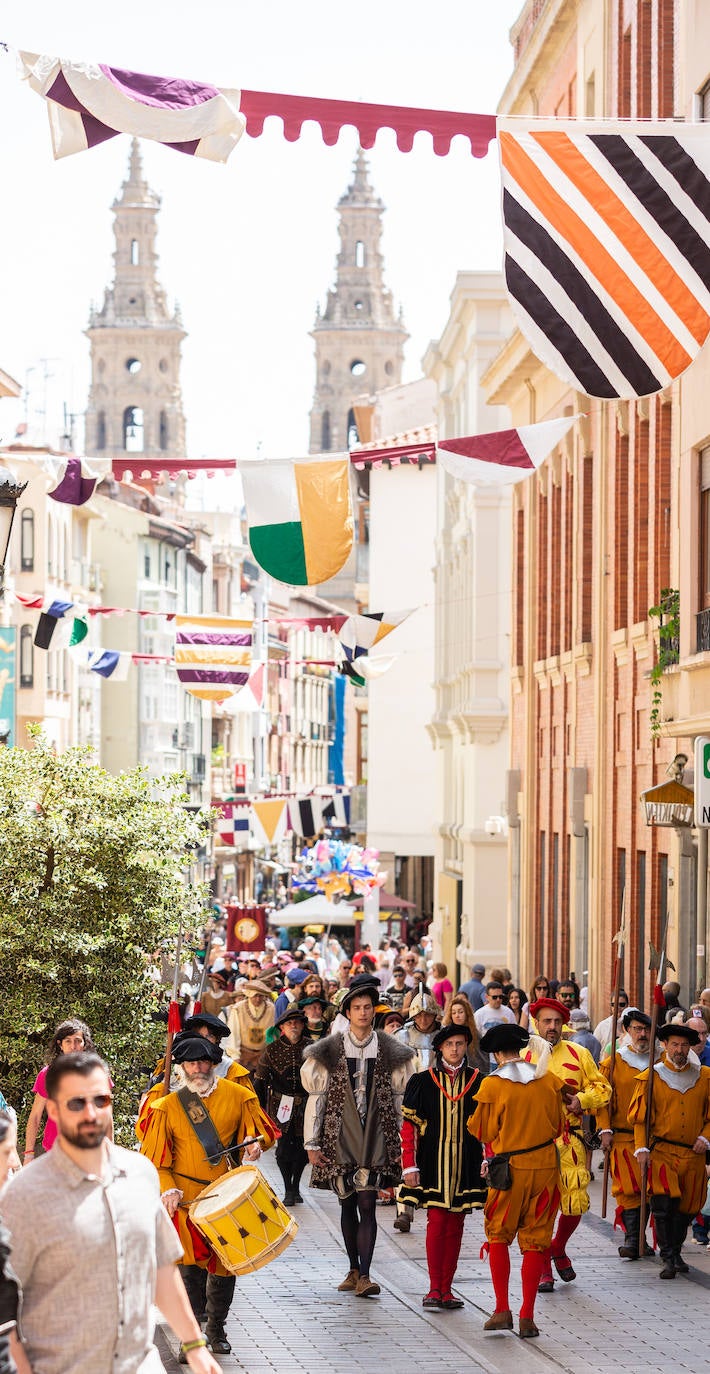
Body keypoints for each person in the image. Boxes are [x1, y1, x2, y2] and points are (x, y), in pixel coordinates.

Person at [4, 1051, 222, 1374]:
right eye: (76, 1103)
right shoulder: (23, 1195)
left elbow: (161, 1268)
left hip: (140, 1365)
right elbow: (6, 1312)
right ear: (52, 1109)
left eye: (101, 1100)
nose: (91, 1112)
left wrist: (195, 1346)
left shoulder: (141, 1174)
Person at [140, 1036, 274, 1355]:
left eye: (203, 1063)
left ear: (213, 1063)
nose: (197, 1069)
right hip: (185, 1198)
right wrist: (167, 1187)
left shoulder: (239, 1095)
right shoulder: (168, 1104)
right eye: (190, 1063)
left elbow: (262, 1132)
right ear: (182, 1068)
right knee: (190, 1270)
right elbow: (156, 1159)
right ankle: (192, 1337)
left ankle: (217, 1328)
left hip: (225, 1194)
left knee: (225, 1266)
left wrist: (257, 1144)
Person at [301, 975, 415, 1297]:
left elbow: (398, 1099)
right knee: (346, 1204)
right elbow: (317, 1096)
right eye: (357, 1007)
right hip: (339, 1135)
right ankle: (353, 1268)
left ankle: (365, 1274)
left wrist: (401, 1144)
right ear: (347, 1012)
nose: (363, 1013)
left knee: (367, 1201)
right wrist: (312, 1143)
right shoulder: (330, 1049)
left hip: (376, 1136)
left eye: (367, 1007)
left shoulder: (391, 1048)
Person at [467, 1024, 565, 1340]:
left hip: (510, 1168)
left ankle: (501, 1309)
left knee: (498, 1234)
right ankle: (527, 1316)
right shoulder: (547, 1079)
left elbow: (481, 1131)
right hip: (547, 1165)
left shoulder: (493, 1085)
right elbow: (560, 1123)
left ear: (496, 1054)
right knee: (537, 1239)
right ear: (523, 1050)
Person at [526, 996, 611, 1291]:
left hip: (570, 1140)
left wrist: (582, 1099)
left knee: (575, 1204)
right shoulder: (522, 1055)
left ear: (565, 1025)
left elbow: (603, 1088)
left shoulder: (578, 1053)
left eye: (557, 1022)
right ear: (536, 1023)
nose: (552, 1027)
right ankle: (543, 1267)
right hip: (533, 1142)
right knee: (542, 1207)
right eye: (546, 1021)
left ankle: (557, 1246)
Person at [399, 1024, 485, 1310]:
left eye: (460, 1044)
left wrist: (489, 1157)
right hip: (432, 1163)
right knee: (437, 1222)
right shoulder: (423, 1081)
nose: (455, 1049)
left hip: (467, 1162)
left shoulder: (479, 1081)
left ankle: (447, 1289)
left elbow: (488, 1126)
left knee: (456, 1224)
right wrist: (408, 1166)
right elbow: (409, 1129)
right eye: (450, 1044)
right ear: (440, 1048)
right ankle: (434, 1288)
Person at [629, 1023, 710, 1278]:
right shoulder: (651, 1077)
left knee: (688, 1207)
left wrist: (706, 1138)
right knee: (664, 1204)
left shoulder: (705, 1076)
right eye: (674, 1044)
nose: (679, 1049)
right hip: (663, 1152)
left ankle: (675, 1250)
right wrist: (641, 1147)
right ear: (664, 1045)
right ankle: (668, 1256)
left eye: (684, 1045)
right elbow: (640, 1119)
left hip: (693, 1154)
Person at [136, 1012, 251, 1142]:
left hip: (217, 1145)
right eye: (198, 1036)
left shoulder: (232, 1071)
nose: (201, 1041)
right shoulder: (170, 1065)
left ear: (217, 1040)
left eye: (209, 1036)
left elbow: (248, 1116)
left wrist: (249, 1138)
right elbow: (148, 1109)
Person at [597, 1008, 656, 1260]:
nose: (642, 1034)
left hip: (654, 1138)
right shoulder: (613, 1063)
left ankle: (643, 1239)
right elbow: (602, 1099)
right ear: (627, 1031)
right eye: (637, 1029)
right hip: (622, 1135)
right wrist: (605, 1129)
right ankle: (633, 1239)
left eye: (646, 1030)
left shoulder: (661, 1060)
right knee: (628, 1188)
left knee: (652, 1188)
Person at [253, 1005, 309, 1205]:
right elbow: (259, 1081)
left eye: (297, 1022)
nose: (293, 1026)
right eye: (289, 1023)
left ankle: (296, 1186)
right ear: (282, 1027)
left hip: (306, 1106)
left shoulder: (312, 1048)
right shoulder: (272, 1050)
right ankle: (287, 1188)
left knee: (303, 1148)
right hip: (280, 1106)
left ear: (303, 1025)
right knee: (284, 1148)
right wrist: (257, 1110)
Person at [23, 1018, 98, 1164]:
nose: (73, 1046)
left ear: (85, 1044)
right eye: (68, 1041)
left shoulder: (97, 1074)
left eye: (78, 1040)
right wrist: (28, 1154)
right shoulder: (47, 1075)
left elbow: (105, 1116)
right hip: (55, 1151)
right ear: (60, 1045)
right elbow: (35, 1116)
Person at [224, 980, 275, 1072]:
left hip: (263, 1055)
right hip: (244, 1056)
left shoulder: (271, 1008)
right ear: (248, 995)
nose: (258, 999)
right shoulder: (238, 1008)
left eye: (261, 996)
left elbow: (273, 1033)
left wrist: (271, 1053)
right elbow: (233, 1033)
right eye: (255, 996)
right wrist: (235, 1055)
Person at [441, 995, 489, 1076]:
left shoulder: (474, 1034)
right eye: (454, 1013)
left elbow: (482, 1060)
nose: (457, 1015)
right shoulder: (445, 1034)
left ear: (467, 1013)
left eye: (460, 1012)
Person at [474, 983, 516, 1055]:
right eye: (494, 997)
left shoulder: (509, 1013)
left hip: (505, 1056)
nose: (498, 999)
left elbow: (514, 1034)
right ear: (487, 997)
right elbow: (476, 1037)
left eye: (500, 997)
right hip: (486, 1057)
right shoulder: (479, 1014)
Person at [593, 991, 630, 1057]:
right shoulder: (602, 1026)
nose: (618, 1007)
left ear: (627, 1005)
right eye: (614, 1004)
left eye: (621, 1004)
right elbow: (594, 1047)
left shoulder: (633, 1026)